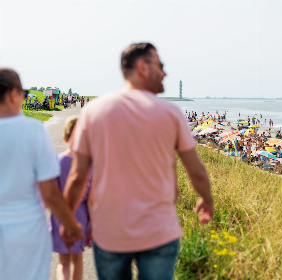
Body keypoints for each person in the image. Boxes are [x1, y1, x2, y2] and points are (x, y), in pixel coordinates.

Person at [63, 43, 214, 280]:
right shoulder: (170, 113)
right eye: (160, 66)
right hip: (159, 232)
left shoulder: (93, 111)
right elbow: (197, 172)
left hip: (110, 232)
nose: (165, 72)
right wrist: (207, 199)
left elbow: (77, 175)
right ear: (142, 67)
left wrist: (68, 219)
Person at [0, 68, 82, 279]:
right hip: (27, 229)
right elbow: (50, 193)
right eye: (23, 93)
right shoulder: (34, 131)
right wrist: (71, 225)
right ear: (12, 95)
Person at [50, 116, 92, 280]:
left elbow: (50, 191)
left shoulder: (57, 160)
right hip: (81, 214)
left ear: (65, 138)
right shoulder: (89, 163)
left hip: (60, 214)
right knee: (77, 258)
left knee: (63, 262)